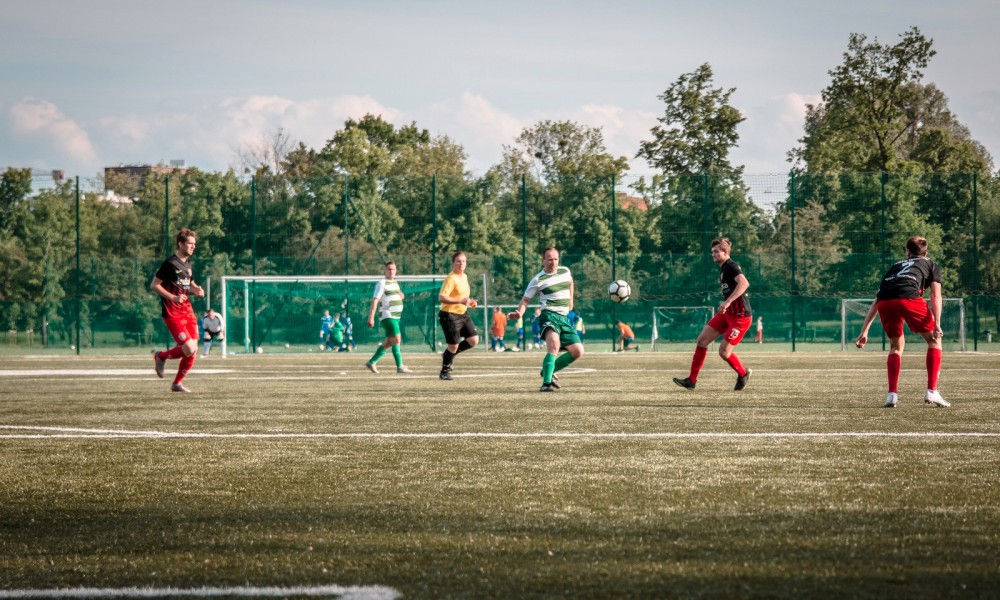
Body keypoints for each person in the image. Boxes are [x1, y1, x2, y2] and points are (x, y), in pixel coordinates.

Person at [855, 236, 949, 408]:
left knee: (896, 346)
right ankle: (932, 391)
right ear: (925, 252)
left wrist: (864, 331)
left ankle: (892, 395)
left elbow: (877, 300)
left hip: (886, 303)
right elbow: (936, 295)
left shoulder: (895, 266)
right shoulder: (931, 264)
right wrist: (937, 323)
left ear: (907, 252)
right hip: (909, 299)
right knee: (934, 340)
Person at [673, 237, 753, 391]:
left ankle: (743, 373)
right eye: (712, 252)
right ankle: (691, 381)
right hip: (728, 313)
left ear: (726, 252)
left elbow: (744, 283)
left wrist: (727, 302)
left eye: (716, 251)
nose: (713, 254)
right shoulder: (724, 268)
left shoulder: (731, 266)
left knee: (723, 352)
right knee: (702, 341)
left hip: (740, 316)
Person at [508, 247, 584, 392]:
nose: (553, 262)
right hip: (549, 316)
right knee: (554, 345)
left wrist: (571, 301)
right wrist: (519, 313)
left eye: (555, 259)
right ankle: (546, 383)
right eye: (549, 259)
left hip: (564, 318)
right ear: (543, 260)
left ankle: (547, 371)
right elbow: (525, 300)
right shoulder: (538, 280)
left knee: (578, 351)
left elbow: (570, 282)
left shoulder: (565, 271)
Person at [151, 228, 205, 393]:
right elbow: (154, 285)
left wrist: (196, 290)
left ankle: (177, 384)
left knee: (193, 350)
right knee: (188, 348)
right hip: (172, 312)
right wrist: (172, 297)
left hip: (187, 310)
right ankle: (160, 357)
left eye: (194, 244)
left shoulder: (189, 264)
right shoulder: (170, 263)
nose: (193, 247)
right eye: (190, 243)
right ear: (180, 243)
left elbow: (188, 283)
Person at [438, 251, 479, 380]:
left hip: (462, 313)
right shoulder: (451, 278)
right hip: (449, 314)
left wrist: (469, 302)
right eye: (458, 261)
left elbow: (462, 296)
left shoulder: (464, 276)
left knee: (473, 340)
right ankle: (444, 372)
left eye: (463, 261)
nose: (461, 263)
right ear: (453, 263)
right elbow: (442, 297)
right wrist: (461, 301)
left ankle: (449, 354)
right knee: (453, 345)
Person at [365, 261, 412, 374]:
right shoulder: (382, 283)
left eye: (393, 269)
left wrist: (401, 296)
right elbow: (375, 300)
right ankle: (400, 366)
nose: (391, 271)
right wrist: (371, 317)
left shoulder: (395, 282)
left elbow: (398, 294)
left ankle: (372, 362)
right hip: (387, 315)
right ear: (385, 271)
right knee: (397, 338)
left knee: (389, 342)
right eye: (389, 269)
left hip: (396, 317)